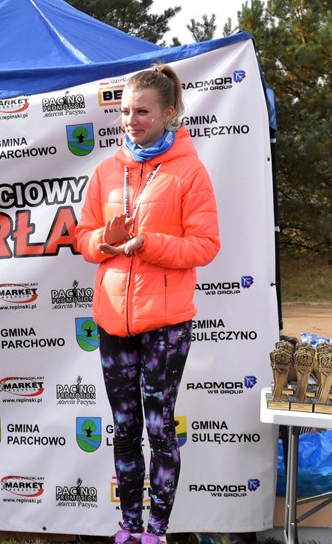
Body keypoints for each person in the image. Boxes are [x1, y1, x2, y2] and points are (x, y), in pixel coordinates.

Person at [75, 64, 220, 544]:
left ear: (168, 113)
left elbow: (205, 245)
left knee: (159, 431)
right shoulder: (106, 170)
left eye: (142, 111)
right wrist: (105, 238)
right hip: (112, 321)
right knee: (123, 430)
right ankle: (129, 527)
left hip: (166, 325)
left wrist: (148, 244)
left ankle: (157, 531)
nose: (131, 120)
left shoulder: (189, 171)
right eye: (125, 111)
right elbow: (83, 238)